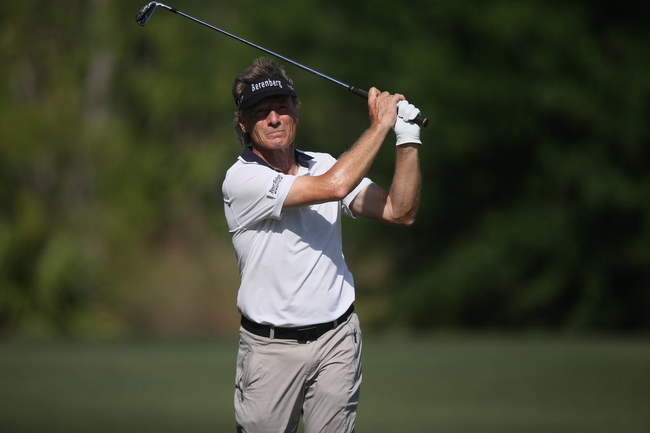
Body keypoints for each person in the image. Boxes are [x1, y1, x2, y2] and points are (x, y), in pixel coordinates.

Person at [222, 57, 422, 433]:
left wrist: (407, 138)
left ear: (297, 110)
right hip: (270, 350)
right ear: (243, 124)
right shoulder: (242, 179)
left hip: (337, 341)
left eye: (282, 107)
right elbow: (334, 187)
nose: (274, 118)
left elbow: (399, 211)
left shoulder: (323, 163)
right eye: (261, 112)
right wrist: (381, 124)